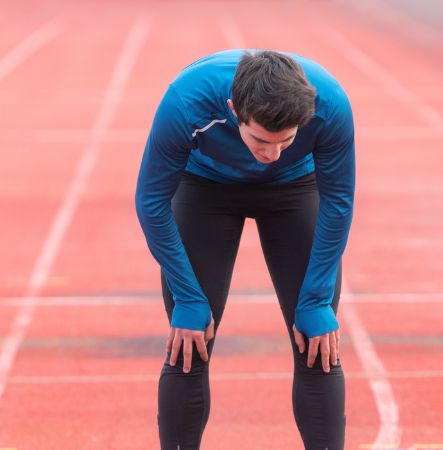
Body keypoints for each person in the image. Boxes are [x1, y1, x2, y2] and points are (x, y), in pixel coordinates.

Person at [135, 48, 355, 450]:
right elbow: (150, 202)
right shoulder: (185, 101)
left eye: (285, 139)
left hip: (294, 186)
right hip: (206, 186)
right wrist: (187, 296)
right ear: (234, 109)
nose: (270, 155)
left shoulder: (331, 103)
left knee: (317, 343)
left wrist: (317, 299)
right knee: (190, 341)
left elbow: (338, 204)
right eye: (260, 139)